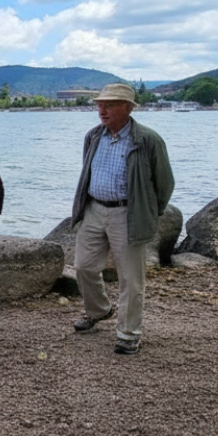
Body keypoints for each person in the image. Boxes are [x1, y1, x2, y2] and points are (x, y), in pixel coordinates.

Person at [70, 83, 174, 355]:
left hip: (127, 213)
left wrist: (148, 212)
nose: (102, 110)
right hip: (94, 209)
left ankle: (128, 334)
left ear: (128, 108)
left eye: (110, 105)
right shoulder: (93, 135)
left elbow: (164, 183)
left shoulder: (148, 140)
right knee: (83, 266)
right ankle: (99, 310)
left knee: (130, 278)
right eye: (100, 105)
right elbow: (87, 171)